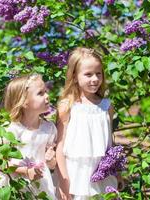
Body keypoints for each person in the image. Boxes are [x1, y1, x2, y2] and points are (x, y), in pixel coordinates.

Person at [56, 47, 118, 200]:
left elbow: (110, 143)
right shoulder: (68, 106)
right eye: (88, 74)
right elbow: (60, 147)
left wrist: (117, 172)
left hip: (102, 174)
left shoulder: (106, 106)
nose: (95, 79)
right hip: (75, 175)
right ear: (75, 76)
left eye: (98, 73)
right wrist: (64, 183)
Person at [0, 74, 57, 199]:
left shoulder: (49, 128)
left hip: (42, 187)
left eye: (46, 91)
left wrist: (51, 160)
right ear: (24, 102)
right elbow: (0, 163)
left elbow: (51, 166)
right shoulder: (10, 130)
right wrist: (25, 172)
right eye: (40, 93)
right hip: (15, 186)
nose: (47, 96)